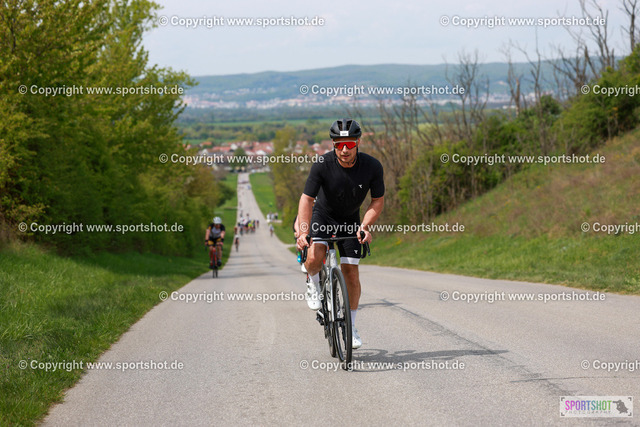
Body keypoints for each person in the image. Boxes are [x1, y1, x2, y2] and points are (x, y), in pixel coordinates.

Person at [295, 118, 384, 350]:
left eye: (350, 144)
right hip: (323, 216)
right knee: (314, 256)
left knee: (351, 275)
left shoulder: (372, 166)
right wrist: (303, 232)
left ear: (358, 143)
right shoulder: (322, 165)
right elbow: (306, 199)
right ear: (333, 144)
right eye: (339, 144)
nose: (345, 149)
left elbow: (377, 200)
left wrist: (365, 226)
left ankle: (351, 326)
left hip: (350, 220)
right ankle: (313, 281)